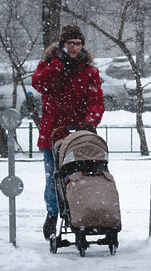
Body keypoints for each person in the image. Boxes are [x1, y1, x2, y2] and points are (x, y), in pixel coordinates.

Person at [31, 24, 104, 242]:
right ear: (62, 45)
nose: (74, 47)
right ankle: (53, 214)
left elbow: (96, 102)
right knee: (52, 178)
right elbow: (40, 84)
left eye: (78, 43)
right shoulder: (48, 65)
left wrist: (90, 122)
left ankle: (82, 213)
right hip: (52, 133)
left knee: (82, 176)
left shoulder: (89, 71)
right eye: (70, 43)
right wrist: (57, 65)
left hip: (79, 134)